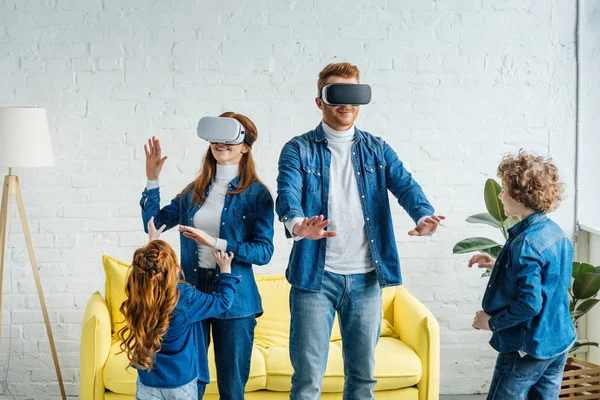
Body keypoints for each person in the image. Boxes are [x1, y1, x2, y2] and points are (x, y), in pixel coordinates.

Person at [275, 62, 445, 400]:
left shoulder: (377, 149)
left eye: (353, 94)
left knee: (363, 379)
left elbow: (406, 185)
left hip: (367, 279)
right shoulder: (298, 149)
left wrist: (422, 215)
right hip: (314, 278)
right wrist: (298, 225)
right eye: (336, 94)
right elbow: (287, 193)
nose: (346, 103)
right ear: (320, 101)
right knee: (307, 380)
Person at [140, 112, 275, 399]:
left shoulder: (258, 195)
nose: (220, 143)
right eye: (216, 137)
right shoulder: (194, 192)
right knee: (192, 383)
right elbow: (153, 226)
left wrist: (216, 242)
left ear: (246, 146)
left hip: (236, 301)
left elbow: (264, 252)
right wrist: (152, 180)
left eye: (229, 137)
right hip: (191, 298)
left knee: (231, 388)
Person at [470, 150, 576, 400]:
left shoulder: (526, 243)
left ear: (521, 196)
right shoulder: (554, 232)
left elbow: (529, 303)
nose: (500, 195)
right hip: (558, 341)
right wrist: (498, 264)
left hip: (526, 347)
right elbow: (548, 279)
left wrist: (491, 322)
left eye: (505, 190)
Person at [119, 218, 240, 400]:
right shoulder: (184, 298)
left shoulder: (138, 298)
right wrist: (226, 269)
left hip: (147, 382)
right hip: (181, 383)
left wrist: (152, 241)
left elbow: (149, 273)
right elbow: (223, 302)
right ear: (175, 269)